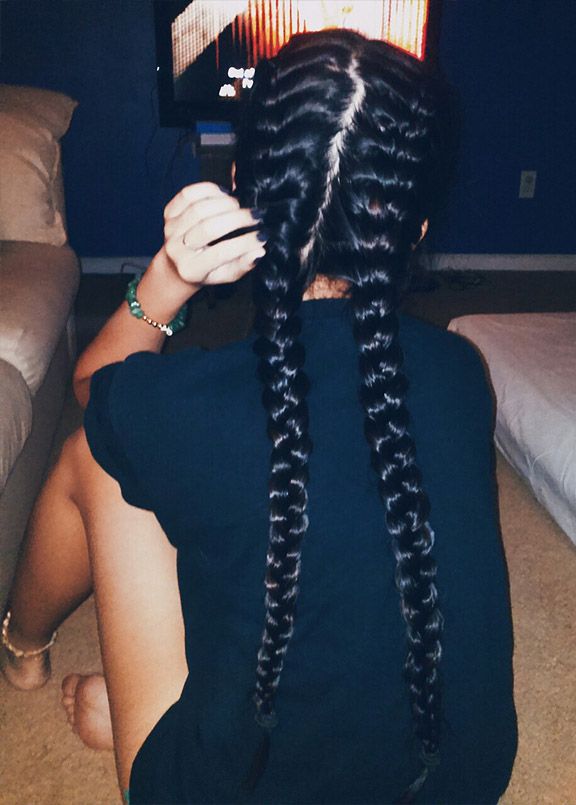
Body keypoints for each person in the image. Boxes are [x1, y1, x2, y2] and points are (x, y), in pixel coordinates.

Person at [0, 29, 517, 804]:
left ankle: (21, 646)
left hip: (236, 788)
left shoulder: (185, 401)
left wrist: (168, 276)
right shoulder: (462, 372)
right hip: (458, 781)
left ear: (241, 189)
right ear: (415, 229)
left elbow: (91, 382)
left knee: (94, 454)